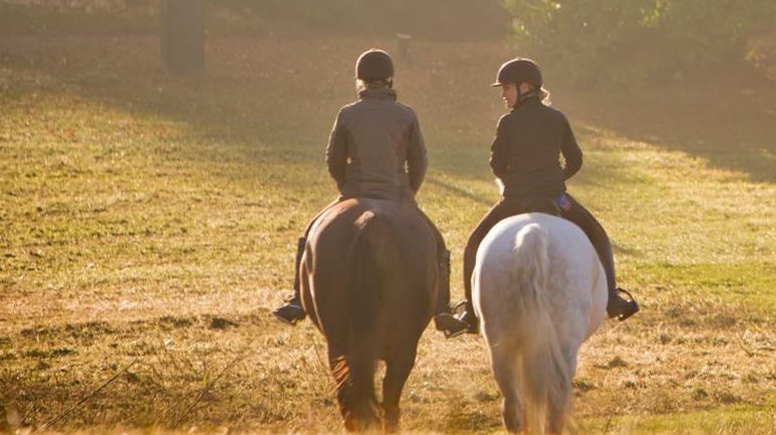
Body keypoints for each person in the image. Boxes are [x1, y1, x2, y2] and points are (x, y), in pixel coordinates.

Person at [272, 49, 471, 336]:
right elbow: (419, 164)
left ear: (360, 81)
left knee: (309, 234)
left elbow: (333, 159)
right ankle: (441, 309)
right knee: (437, 245)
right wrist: (406, 194)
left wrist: (347, 190)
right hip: (397, 195)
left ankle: (297, 301)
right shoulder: (406, 115)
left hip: (354, 192)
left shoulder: (347, 114)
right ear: (390, 80)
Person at [451, 58, 639, 334]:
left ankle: (470, 312)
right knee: (598, 235)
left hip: (514, 200)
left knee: (474, 243)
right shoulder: (557, 118)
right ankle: (612, 299)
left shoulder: (508, 122)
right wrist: (554, 180)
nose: (503, 94)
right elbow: (575, 160)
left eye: (506, 88)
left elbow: (496, 166)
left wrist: (516, 181)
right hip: (557, 199)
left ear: (525, 87)